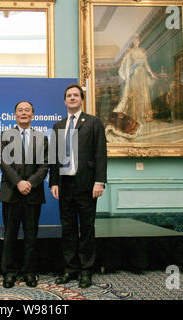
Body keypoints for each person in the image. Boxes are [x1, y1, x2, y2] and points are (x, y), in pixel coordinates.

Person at [49, 84, 107, 288]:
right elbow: (54, 158)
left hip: (87, 185)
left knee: (87, 228)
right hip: (65, 185)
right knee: (68, 229)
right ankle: (70, 269)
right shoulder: (58, 126)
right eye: (69, 96)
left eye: (76, 95)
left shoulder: (93, 122)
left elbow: (100, 154)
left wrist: (99, 181)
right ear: (65, 101)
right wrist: (53, 181)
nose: (72, 98)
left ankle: (85, 271)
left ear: (81, 99)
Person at [0, 100, 49, 288]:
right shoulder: (6, 135)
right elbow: (4, 162)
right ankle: (9, 272)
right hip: (11, 192)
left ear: (32, 115)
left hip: (33, 194)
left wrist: (30, 183)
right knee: (10, 235)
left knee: (31, 236)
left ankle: (29, 272)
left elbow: (45, 165)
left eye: (27, 110)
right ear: (15, 115)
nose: (24, 113)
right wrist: (18, 182)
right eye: (20, 110)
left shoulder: (41, 137)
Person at [113, 37, 157, 124]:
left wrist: (152, 74)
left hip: (142, 75)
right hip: (135, 75)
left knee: (143, 93)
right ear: (133, 42)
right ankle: (135, 116)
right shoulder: (131, 52)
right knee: (135, 93)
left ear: (139, 41)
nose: (136, 42)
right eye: (134, 41)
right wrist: (128, 78)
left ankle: (144, 115)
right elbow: (128, 65)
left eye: (137, 41)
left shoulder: (142, 51)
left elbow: (146, 65)